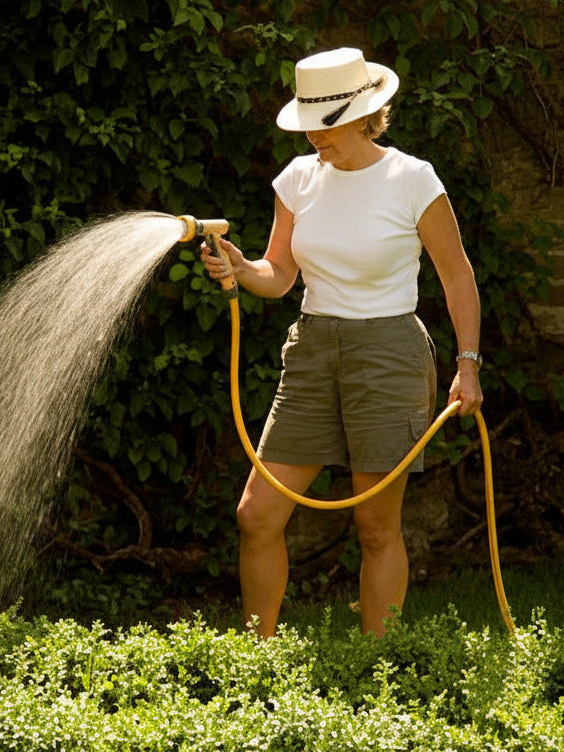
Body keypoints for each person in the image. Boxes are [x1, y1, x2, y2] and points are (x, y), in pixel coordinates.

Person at [201, 47, 483, 637]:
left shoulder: (412, 179)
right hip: (311, 352)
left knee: (376, 527)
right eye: (309, 125)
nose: (314, 138)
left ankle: (377, 669)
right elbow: (277, 277)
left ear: (363, 116)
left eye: (325, 127)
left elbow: (457, 275)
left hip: (388, 353)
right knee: (256, 515)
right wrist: (237, 267)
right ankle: (256, 661)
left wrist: (468, 364)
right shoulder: (298, 180)